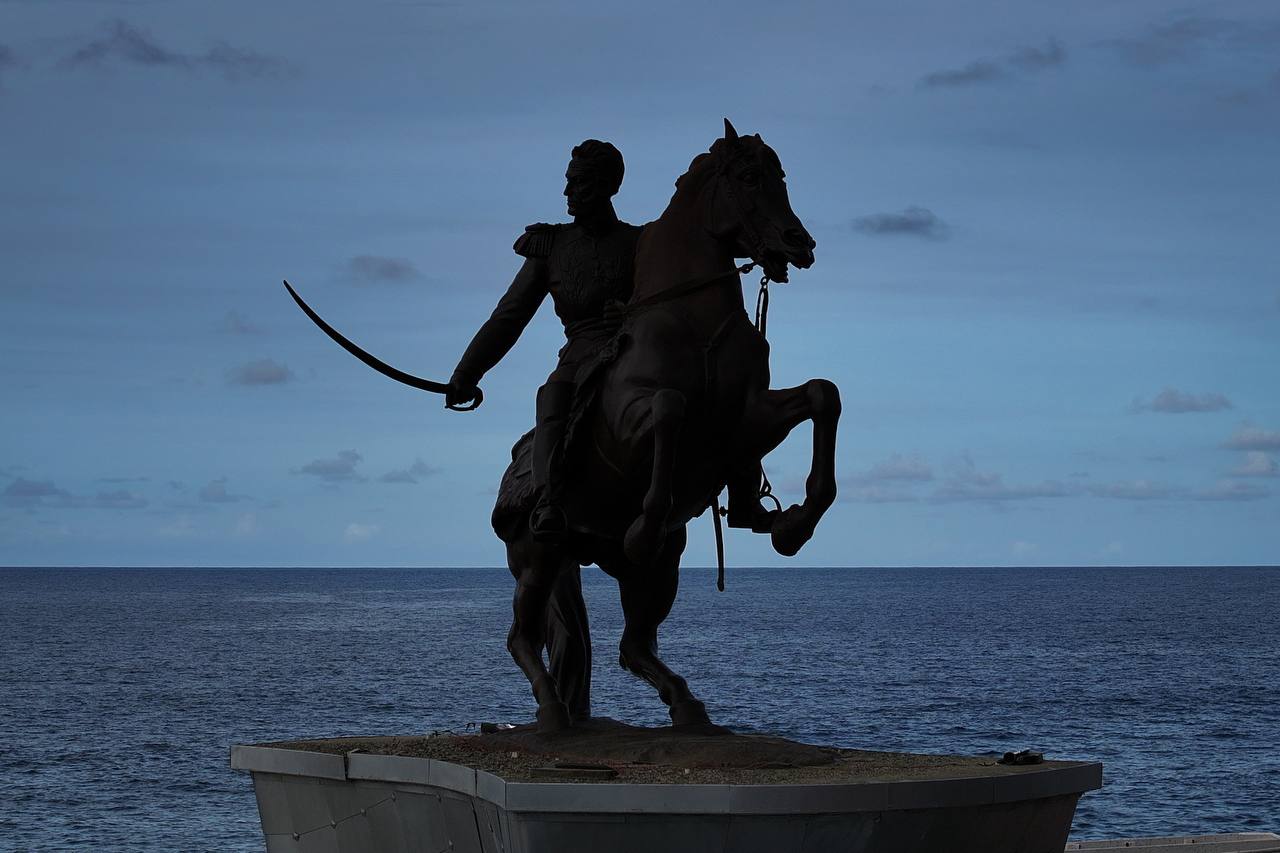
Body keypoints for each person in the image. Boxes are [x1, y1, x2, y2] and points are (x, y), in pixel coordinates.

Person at [446, 140, 641, 541]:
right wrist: (467, 373)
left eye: (580, 182)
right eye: (568, 181)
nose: (568, 192)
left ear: (609, 186)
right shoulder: (550, 247)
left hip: (637, 345)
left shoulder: (642, 242)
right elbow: (509, 316)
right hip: (581, 353)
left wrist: (633, 313)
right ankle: (549, 499)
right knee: (554, 395)